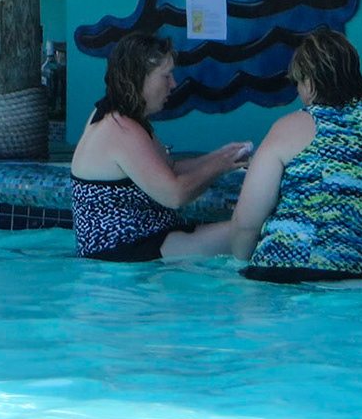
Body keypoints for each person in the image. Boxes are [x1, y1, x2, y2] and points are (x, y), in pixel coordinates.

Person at [226, 29, 362, 281]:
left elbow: (246, 224)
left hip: (293, 269)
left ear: (308, 80)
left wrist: (238, 266)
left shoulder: (288, 128)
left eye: (298, 82)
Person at [69, 32, 251, 261]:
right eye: (166, 76)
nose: (173, 84)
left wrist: (221, 157)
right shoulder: (121, 129)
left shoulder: (121, 118)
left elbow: (170, 169)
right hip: (122, 253)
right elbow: (175, 194)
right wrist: (219, 167)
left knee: (246, 232)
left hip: (147, 238)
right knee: (247, 233)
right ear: (138, 77)